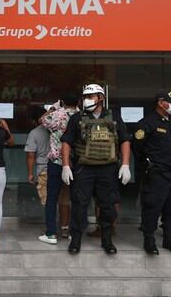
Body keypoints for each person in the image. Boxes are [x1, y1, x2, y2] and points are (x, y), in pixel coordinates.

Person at [61, 84, 131, 255]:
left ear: (101, 98)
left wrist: (126, 164)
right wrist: (65, 165)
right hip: (84, 169)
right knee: (79, 206)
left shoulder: (114, 117)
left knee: (107, 206)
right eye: (85, 97)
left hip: (107, 169)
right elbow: (66, 142)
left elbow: (124, 140)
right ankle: (75, 241)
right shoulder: (77, 118)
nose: (86, 100)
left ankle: (107, 240)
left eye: (90, 97)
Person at [133, 90, 171, 255]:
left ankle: (169, 239)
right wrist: (148, 164)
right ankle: (149, 240)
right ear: (161, 102)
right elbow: (138, 147)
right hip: (157, 172)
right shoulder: (147, 123)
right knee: (153, 206)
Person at [37, 95, 77, 243]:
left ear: (63, 102)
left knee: (52, 198)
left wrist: (53, 108)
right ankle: (74, 232)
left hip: (56, 162)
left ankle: (51, 233)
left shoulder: (57, 115)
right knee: (76, 199)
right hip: (75, 162)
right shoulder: (81, 116)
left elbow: (42, 120)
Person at [25, 107, 49, 206]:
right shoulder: (57, 128)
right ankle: (64, 221)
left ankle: (51, 220)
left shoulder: (34, 133)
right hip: (59, 166)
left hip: (43, 170)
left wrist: (30, 174)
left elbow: (31, 155)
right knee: (62, 198)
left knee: (46, 200)